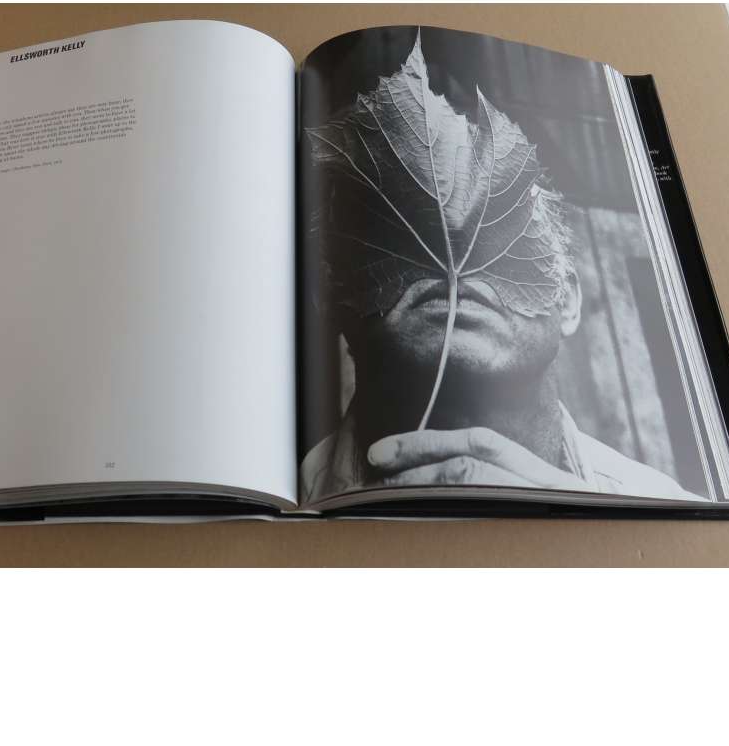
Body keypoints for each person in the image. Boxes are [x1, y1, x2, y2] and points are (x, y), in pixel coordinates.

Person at [300, 130, 707, 508]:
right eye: (403, 231)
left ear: (566, 300)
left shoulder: (672, 523)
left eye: (503, 232)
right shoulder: (281, 506)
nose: (453, 251)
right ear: (333, 301)